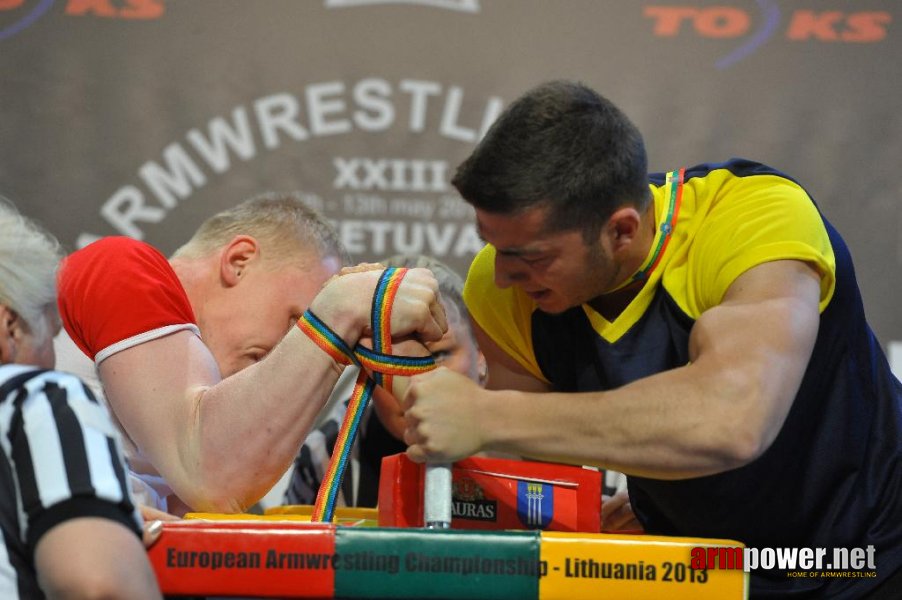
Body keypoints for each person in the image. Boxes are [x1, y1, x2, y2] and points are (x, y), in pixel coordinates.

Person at [400, 81, 902, 598]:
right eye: (492, 246)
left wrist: (487, 417)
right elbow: (540, 478)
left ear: (621, 230)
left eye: (531, 256)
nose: (502, 275)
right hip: (698, 570)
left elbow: (730, 422)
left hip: (863, 556)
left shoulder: (754, 220)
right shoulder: (504, 290)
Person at [56, 192, 446, 516]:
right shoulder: (121, 264)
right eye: (297, 319)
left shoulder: (180, 428)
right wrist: (342, 308)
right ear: (238, 261)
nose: (288, 350)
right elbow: (211, 474)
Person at [0, 199, 162, 599]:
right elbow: (103, 588)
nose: (53, 361)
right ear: (9, 326)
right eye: (52, 334)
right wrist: (114, 548)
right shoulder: (37, 400)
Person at [285, 254, 487, 508]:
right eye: (391, 361)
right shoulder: (324, 455)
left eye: (439, 355)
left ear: (481, 354)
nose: (417, 384)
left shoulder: (528, 437)